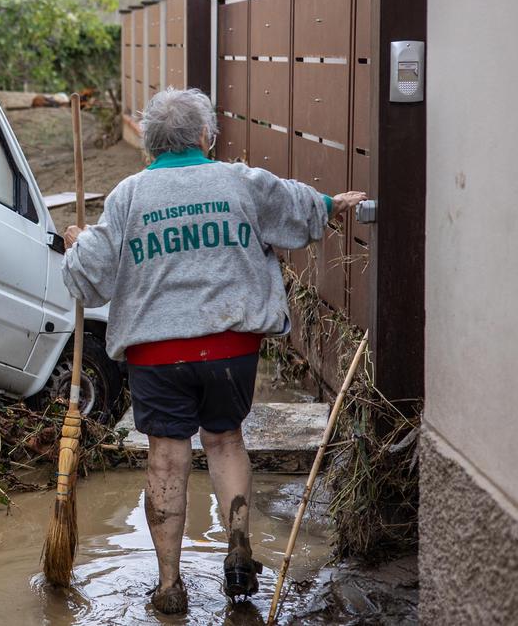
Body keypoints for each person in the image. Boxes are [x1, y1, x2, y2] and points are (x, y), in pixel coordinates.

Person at [61, 88, 366, 615]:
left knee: (167, 456)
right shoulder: (240, 181)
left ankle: (168, 584)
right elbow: (299, 207)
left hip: (157, 355)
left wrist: (75, 245)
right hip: (231, 348)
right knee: (225, 441)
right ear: (205, 137)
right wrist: (332, 204)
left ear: (150, 145)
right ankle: (238, 547)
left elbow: (88, 279)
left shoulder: (128, 196)